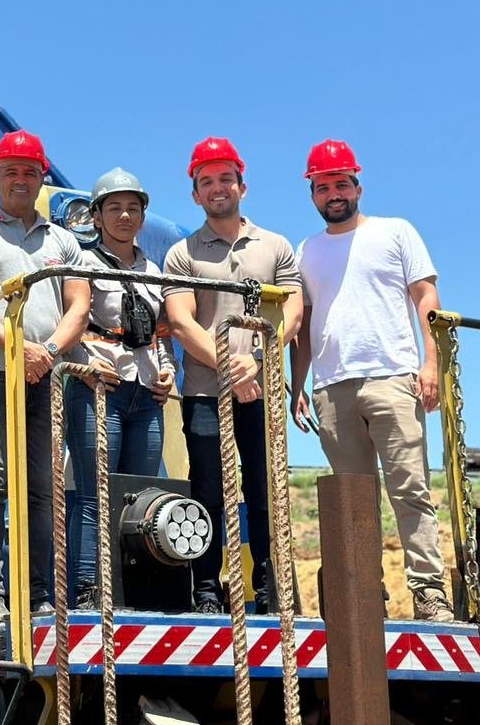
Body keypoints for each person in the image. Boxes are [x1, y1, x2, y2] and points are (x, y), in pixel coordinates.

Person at [289, 139, 455, 622]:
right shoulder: (307, 251)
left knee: (410, 490)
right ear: (313, 195)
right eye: (323, 186)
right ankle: (365, 596)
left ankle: (429, 594)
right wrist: (298, 384)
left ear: (358, 185)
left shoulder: (395, 232)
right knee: (352, 501)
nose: (333, 193)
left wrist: (431, 366)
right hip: (332, 389)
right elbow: (306, 325)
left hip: (393, 378)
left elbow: (427, 297)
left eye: (341, 182)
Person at [0, 129, 90, 624]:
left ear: (42, 178)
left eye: (30, 171)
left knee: (44, 486)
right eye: (12, 170)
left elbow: (80, 305)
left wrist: (46, 351)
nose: (21, 179)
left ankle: (41, 593)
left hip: (49, 377)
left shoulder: (64, 241)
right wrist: (20, 349)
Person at [162, 137, 303, 614]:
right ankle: (206, 588)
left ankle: (267, 589)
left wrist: (256, 363)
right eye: (207, 181)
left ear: (242, 184)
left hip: (261, 390)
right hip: (205, 393)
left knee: (264, 488)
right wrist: (231, 366)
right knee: (207, 490)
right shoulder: (182, 254)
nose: (217, 187)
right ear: (195, 195)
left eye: (225, 178)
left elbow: (292, 313)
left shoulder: (277, 247)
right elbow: (181, 321)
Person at [65, 168, 177, 609]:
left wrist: (165, 370)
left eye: (133, 207)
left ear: (143, 216)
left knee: (140, 499)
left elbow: (160, 333)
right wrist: (86, 364)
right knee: (95, 494)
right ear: (96, 216)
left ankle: (134, 592)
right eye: (114, 207)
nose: (124, 215)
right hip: (99, 391)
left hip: (145, 394)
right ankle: (89, 589)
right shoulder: (81, 263)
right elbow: (71, 321)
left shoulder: (154, 269)